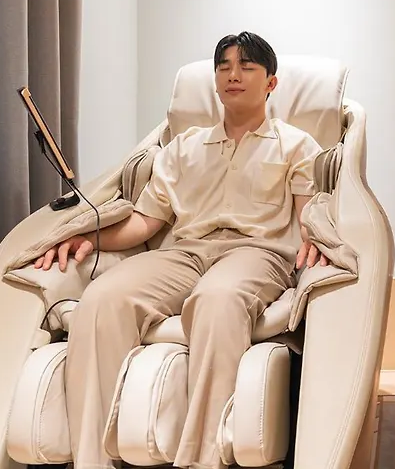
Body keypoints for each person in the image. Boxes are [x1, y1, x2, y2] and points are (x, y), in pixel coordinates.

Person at [30, 32, 327, 469]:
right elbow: (144, 222)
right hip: (185, 252)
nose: (233, 75)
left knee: (217, 299)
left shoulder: (297, 145)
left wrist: (318, 239)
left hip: (257, 253)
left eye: (246, 67)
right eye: (224, 67)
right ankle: (91, 460)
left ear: (271, 83)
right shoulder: (183, 148)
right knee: (103, 298)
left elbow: (307, 218)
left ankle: (203, 460)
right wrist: (88, 238)